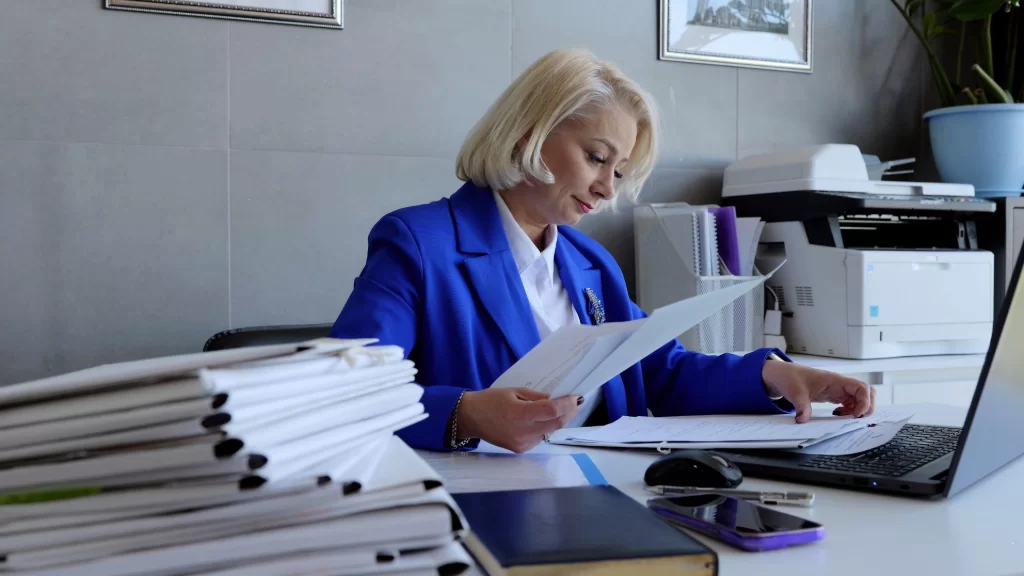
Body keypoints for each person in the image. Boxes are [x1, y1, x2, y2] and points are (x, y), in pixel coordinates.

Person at [330, 48, 875, 453]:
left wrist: (776, 376)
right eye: (596, 157)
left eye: (619, 170)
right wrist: (463, 415)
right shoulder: (418, 243)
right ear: (527, 134)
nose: (608, 188)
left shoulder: (591, 263)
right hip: (483, 506)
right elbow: (348, 395)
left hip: (611, 490)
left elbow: (658, 373)